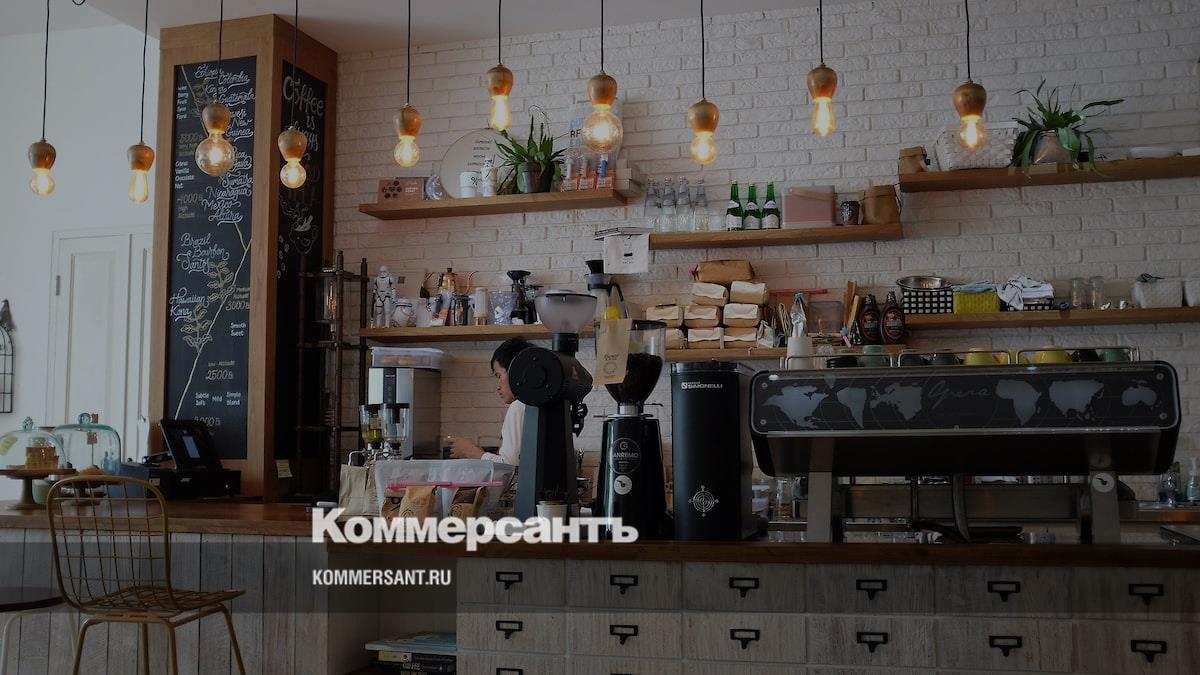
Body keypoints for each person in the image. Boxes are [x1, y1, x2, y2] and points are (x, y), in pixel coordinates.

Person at [446, 337, 531, 465]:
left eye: (499, 376)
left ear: (515, 371)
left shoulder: (519, 406)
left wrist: (471, 451)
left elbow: (509, 467)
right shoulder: (537, 404)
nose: (498, 386)